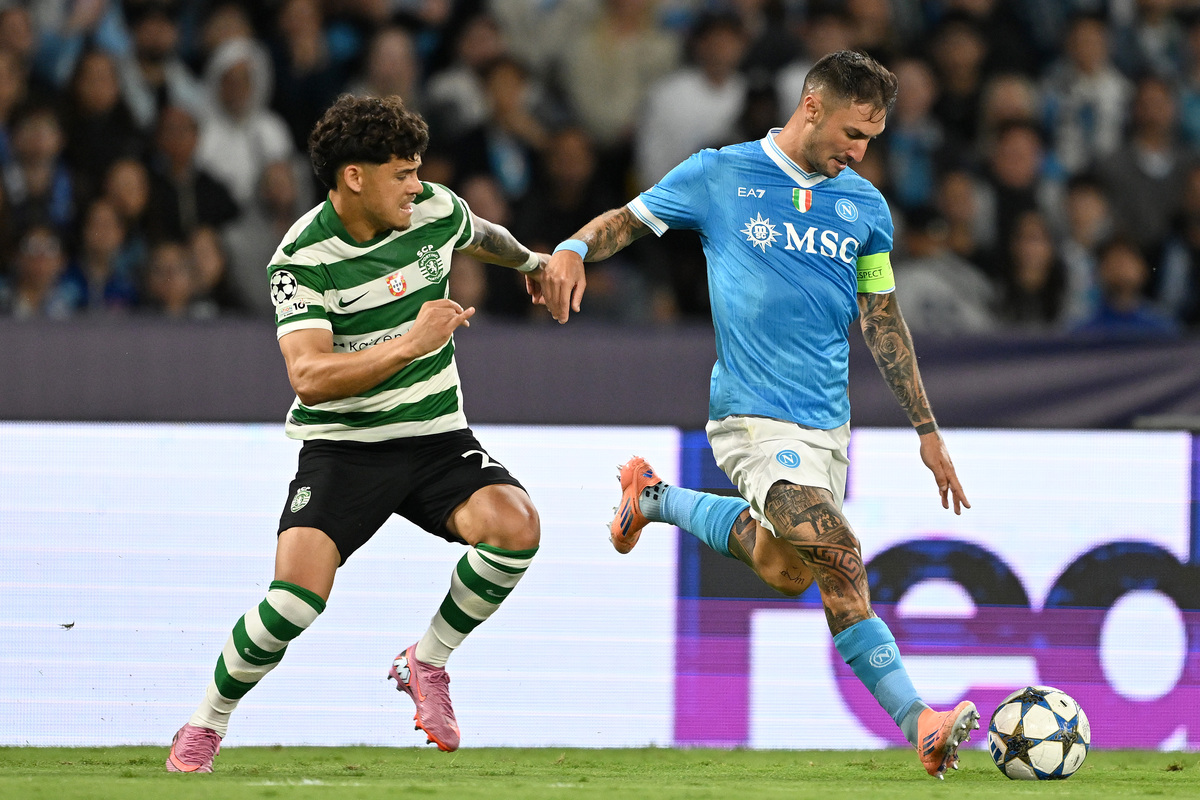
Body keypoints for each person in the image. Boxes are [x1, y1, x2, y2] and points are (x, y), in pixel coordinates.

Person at [536, 50, 978, 780]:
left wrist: (926, 431)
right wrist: (575, 247)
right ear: (812, 106)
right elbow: (631, 220)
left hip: (825, 427)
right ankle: (920, 720)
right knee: (837, 550)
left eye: (872, 138)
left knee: (787, 568)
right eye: (853, 132)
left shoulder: (865, 209)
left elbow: (883, 320)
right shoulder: (721, 173)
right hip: (752, 415)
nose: (862, 151)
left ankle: (653, 498)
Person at [165, 94, 548, 773]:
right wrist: (410, 343)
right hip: (345, 446)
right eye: (401, 172)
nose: (416, 184)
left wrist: (532, 266)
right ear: (354, 177)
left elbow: (481, 234)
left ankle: (426, 662)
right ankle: (206, 722)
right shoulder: (302, 260)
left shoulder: (432, 209)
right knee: (292, 602)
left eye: (417, 169)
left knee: (517, 525)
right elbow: (309, 375)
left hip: (434, 436)